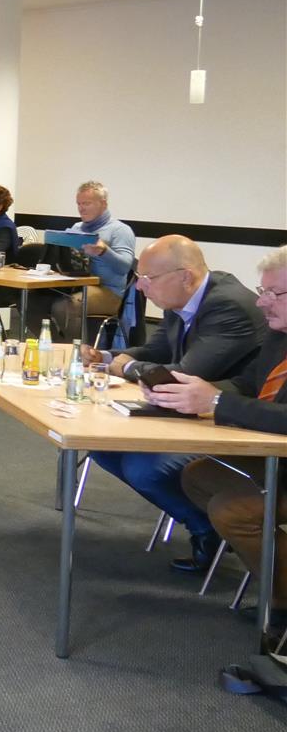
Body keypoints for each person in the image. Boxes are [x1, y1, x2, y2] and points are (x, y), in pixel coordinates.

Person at [83, 235, 269, 572]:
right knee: (101, 447)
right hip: (196, 409)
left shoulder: (228, 306)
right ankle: (203, 524)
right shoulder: (182, 301)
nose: (139, 288)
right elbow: (156, 354)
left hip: (237, 421)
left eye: (147, 279)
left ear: (185, 276)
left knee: (145, 469)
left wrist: (124, 366)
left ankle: (205, 529)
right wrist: (105, 357)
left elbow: (182, 375)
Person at [154, 246, 287, 629]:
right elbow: (250, 385)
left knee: (232, 509)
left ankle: (281, 603)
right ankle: (275, 573)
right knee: (198, 475)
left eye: (272, 294)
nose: (261, 303)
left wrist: (215, 400)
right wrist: (194, 394)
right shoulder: (279, 337)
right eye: (262, 291)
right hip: (273, 455)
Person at [35, 181, 137, 342]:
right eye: (79, 204)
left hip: (109, 292)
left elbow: (125, 267)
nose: (81, 208)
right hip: (72, 285)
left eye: (87, 203)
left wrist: (104, 252)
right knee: (31, 301)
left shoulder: (120, 230)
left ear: (103, 204)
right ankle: (58, 346)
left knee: (66, 307)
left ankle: (77, 354)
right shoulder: (76, 228)